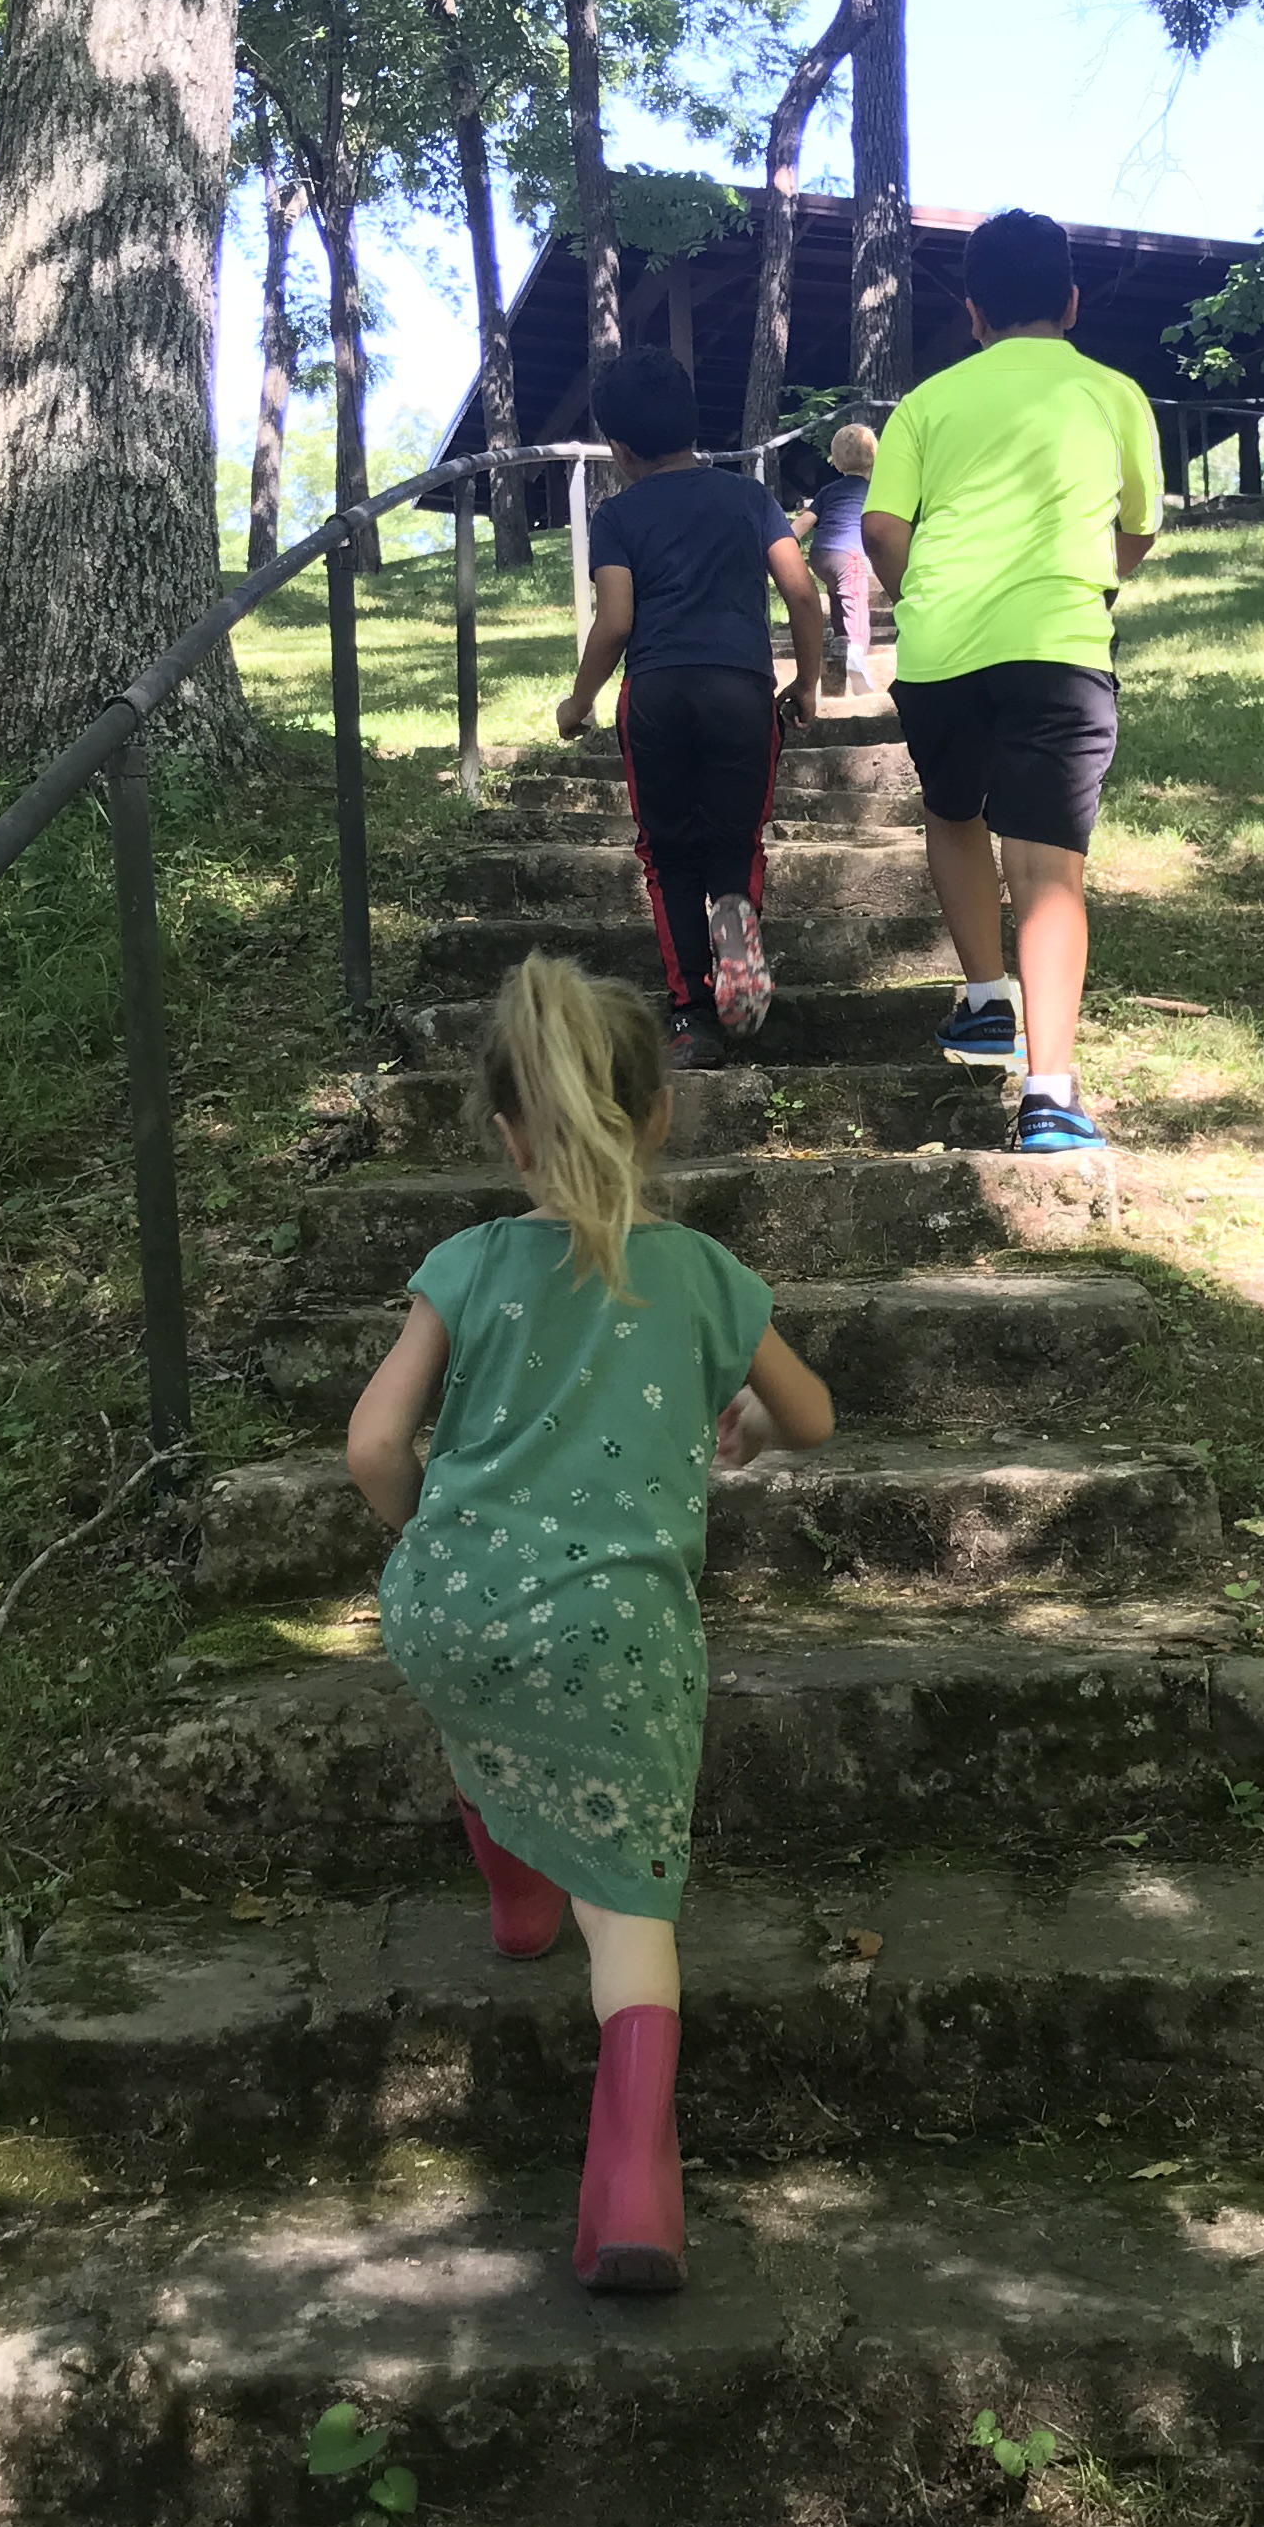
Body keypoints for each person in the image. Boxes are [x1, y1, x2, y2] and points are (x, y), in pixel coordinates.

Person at [344, 957, 838, 2294]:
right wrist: (744, 1417)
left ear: (508, 1136)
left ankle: (513, 1896)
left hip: (458, 1603)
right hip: (620, 1632)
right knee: (629, 1917)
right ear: (661, 1120)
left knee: (484, 1694)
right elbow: (816, 1419)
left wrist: (428, 1544)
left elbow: (376, 1441)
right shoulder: (704, 1279)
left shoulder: (463, 1265)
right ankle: (632, 2187)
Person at [859, 208, 1162, 1157]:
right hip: (1058, 647)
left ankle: (985, 1000)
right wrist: (1091, 576)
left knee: (954, 810)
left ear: (975, 309)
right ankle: (1051, 1094)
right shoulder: (1114, 394)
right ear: (1071, 301)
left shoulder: (927, 404)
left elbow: (879, 529)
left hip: (942, 651)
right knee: (1047, 868)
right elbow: (1139, 526)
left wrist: (921, 597)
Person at [552, 350, 832, 1070]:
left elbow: (614, 622)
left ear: (617, 448)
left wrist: (577, 703)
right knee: (734, 842)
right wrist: (806, 682)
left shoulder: (617, 516)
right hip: (741, 691)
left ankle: (691, 1016)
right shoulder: (749, 501)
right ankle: (735, 920)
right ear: (693, 426)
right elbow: (803, 594)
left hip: (657, 694)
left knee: (668, 855)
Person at [795, 421, 880, 695]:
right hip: (851, 555)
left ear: (837, 461)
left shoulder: (827, 491)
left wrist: (778, 540)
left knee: (838, 597)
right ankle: (856, 652)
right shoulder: (874, 491)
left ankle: (838, 647)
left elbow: (804, 523)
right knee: (856, 603)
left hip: (821, 556)